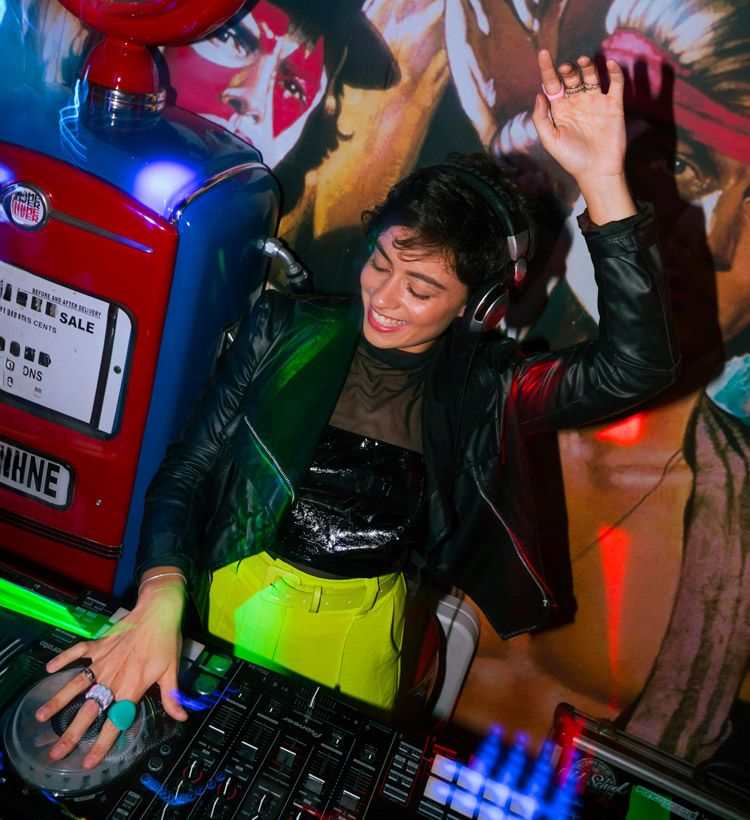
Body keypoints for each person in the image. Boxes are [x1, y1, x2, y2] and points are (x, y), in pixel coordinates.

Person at [34, 49, 679, 769]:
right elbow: (188, 472)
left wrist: (601, 178)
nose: (384, 297)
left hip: (360, 636)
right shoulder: (285, 328)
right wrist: (159, 591)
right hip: (228, 595)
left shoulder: (489, 384)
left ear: (478, 304)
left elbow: (640, 364)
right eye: (381, 263)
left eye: (421, 288)